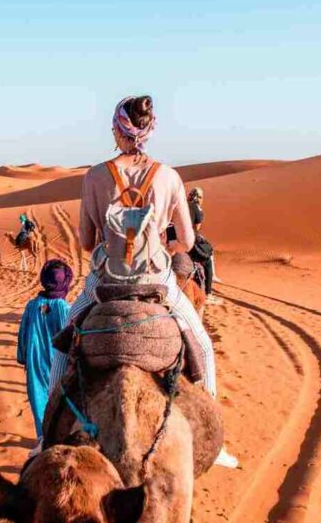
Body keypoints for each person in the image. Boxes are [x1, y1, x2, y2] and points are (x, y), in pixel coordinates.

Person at [49, 95, 238, 468]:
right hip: (158, 285)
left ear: (118, 130)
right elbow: (185, 239)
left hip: (104, 285)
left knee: (60, 346)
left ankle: (46, 435)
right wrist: (159, 242)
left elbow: (87, 242)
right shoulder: (169, 177)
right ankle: (214, 445)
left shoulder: (95, 176)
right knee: (201, 344)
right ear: (149, 132)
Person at [17, 259, 73, 454]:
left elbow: (23, 332)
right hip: (60, 361)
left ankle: (43, 437)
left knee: (38, 396)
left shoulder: (32, 306)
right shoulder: (65, 308)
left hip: (35, 359)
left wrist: (23, 356)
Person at [188, 188, 222, 305]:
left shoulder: (184, 205)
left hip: (172, 236)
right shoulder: (197, 209)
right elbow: (196, 228)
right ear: (200, 198)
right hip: (188, 238)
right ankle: (208, 293)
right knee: (207, 256)